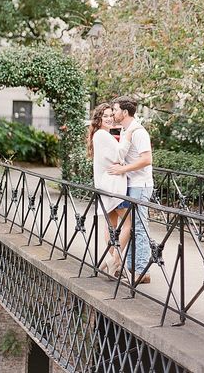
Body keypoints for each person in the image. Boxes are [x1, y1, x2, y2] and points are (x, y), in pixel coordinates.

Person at [87, 102, 138, 277]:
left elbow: (113, 157)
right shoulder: (103, 135)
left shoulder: (101, 135)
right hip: (115, 187)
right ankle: (114, 261)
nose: (109, 119)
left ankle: (110, 265)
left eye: (110, 115)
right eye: (105, 116)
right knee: (128, 226)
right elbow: (119, 155)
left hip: (107, 186)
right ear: (99, 119)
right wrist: (129, 136)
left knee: (112, 226)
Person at [107, 96, 153, 284]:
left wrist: (122, 169)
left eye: (116, 110)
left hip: (140, 185)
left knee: (140, 227)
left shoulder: (138, 132)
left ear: (124, 112)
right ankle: (131, 267)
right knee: (133, 227)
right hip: (132, 184)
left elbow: (147, 159)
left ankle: (142, 272)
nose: (113, 113)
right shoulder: (128, 130)